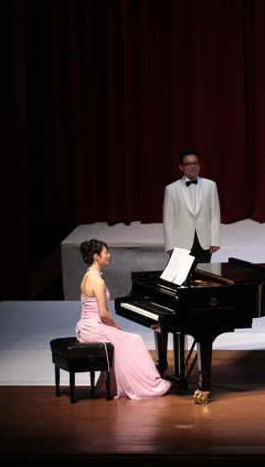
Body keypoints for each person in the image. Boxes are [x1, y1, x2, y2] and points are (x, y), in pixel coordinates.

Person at [75, 239, 171, 399]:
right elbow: (103, 314)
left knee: (127, 341)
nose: (108, 255)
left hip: (85, 326)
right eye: (105, 252)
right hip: (94, 327)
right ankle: (147, 385)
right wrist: (116, 327)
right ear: (96, 256)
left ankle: (118, 384)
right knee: (135, 340)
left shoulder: (87, 276)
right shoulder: (97, 281)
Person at [163, 148, 221, 263]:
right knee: (181, 274)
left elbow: (215, 215)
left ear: (199, 165)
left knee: (203, 273)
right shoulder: (171, 189)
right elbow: (168, 220)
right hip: (181, 243)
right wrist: (170, 245)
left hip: (203, 242)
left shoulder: (210, 186)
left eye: (195, 163)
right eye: (188, 164)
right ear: (181, 167)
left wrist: (215, 241)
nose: (192, 166)